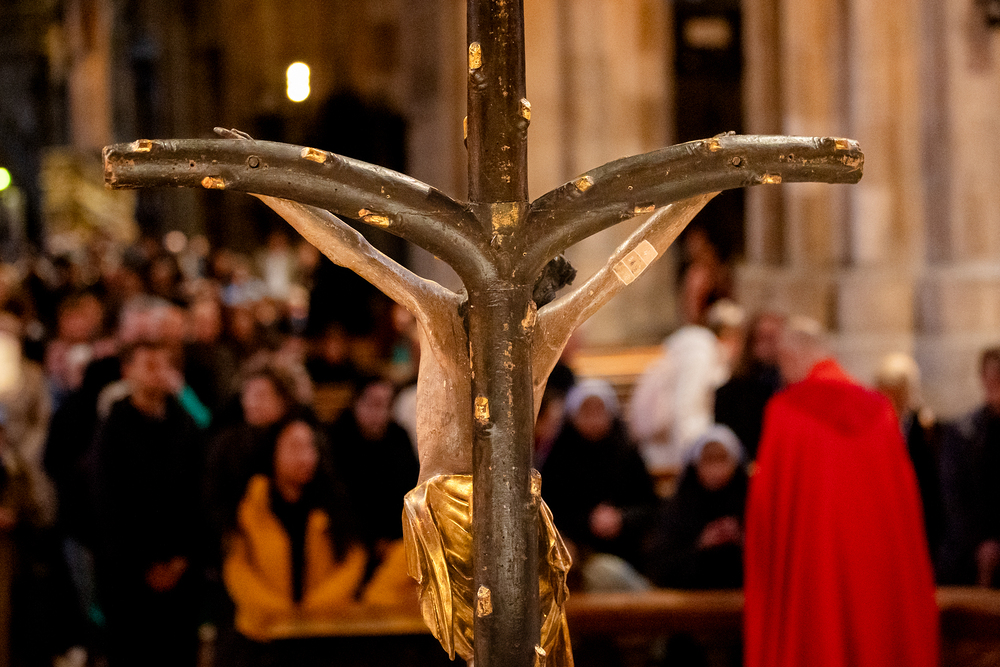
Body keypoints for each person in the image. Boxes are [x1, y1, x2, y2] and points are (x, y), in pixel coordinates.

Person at [744, 317, 938, 667]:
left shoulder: (785, 412)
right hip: (876, 578)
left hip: (811, 577)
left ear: (789, 356)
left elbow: (767, 516)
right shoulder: (879, 411)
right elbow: (905, 512)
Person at [223, 417, 411, 666]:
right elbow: (237, 567)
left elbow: (353, 560)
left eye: (310, 447)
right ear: (273, 452)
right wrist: (277, 611)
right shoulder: (250, 506)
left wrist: (314, 609)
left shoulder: (333, 503)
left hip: (322, 634)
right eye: (294, 447)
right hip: (261, 636)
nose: (305, 456)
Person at [89, 339, 204, 667]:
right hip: (128, 579)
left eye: (164, 366)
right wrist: (143, 563)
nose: (158, 374)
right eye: (150, 366)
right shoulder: (112, 431)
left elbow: (198, 496)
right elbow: (108, 506)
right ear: (128, 372)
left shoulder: (186, 426)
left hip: (181, 574)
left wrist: (182, 557)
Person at [542, 379, 657, 591]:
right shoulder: (559, 459)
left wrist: (621, 518)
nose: (594, 420)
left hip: (628, 551)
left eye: (599, 411)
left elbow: (650, 507)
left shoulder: (627, 453)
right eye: (586, 412)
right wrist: (588, 521)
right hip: (578, 554)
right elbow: (549, 511)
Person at [628, 299, 744, 476]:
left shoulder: (695, 348)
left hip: (668, 447)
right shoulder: (700, 353)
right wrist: (692, 463)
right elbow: (686, 409)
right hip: (673, 453)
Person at [643, 424, 747, 590]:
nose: (716, 470)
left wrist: (742, 540)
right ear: (696, 464)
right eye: (709, 460)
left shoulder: (749, 502)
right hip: (688, 597)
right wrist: (701, 543)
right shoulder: (679, 507)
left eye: (722, 459)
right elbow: (660, 567)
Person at [874, 352, 945, 563]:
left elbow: (934, 484)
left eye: (896, 391)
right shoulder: (873, 428)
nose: (889, 398)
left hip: (920, 518)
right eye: (884, 390)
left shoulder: (926, 429)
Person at [938, 346, 1000, 587]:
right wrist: (981, 544)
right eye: (992, 375)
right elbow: (954, 495)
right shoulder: (963, 432)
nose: (996, 381)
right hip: (967, 552)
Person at [713, 309, 784, 460]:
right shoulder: (729, 394)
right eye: (761, 338)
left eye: (772, 338)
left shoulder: (792, 390)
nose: (766, 345)